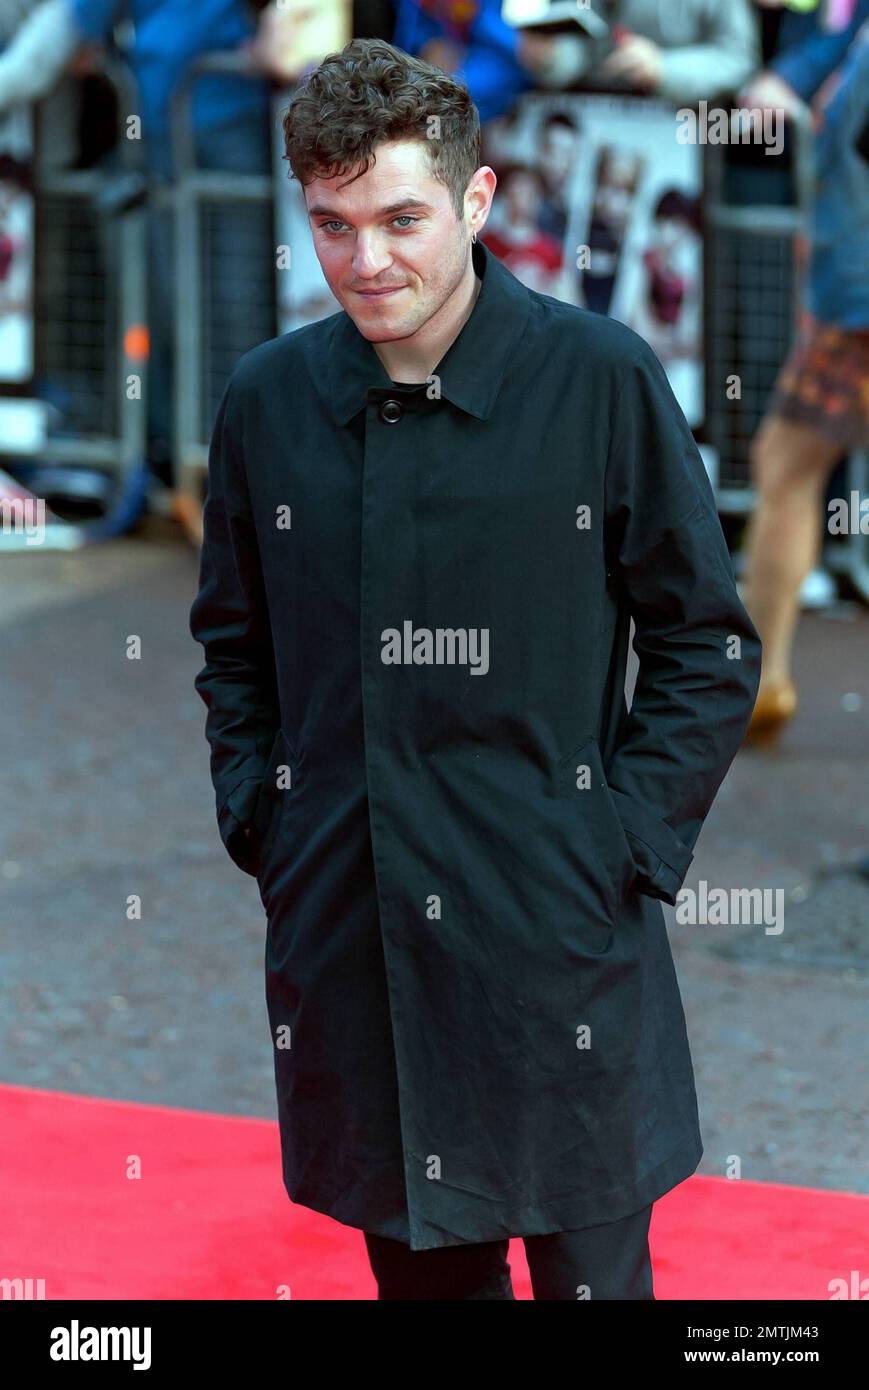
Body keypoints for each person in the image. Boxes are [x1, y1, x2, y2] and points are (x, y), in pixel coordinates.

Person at [188, 37, 761, 1300]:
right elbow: (234, 645)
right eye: (331, 226)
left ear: (477, 200)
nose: (366, 261)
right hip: (357, 933)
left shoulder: (597, 378)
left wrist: (620, 841)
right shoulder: (268, 399)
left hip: (556, 936)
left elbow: (704, 642)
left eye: (399, 218)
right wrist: (268, 821)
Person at [739, 8, 869, 742]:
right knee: (785, 465)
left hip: (854, 300)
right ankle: (764, 683)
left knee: (785, 467)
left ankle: (764, 684)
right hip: (848, 295)